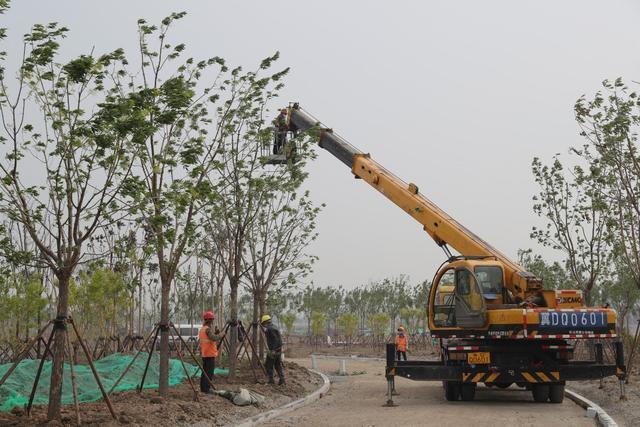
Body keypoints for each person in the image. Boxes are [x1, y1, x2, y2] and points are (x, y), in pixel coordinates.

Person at [199, 311, 222, 393]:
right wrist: (220, 335)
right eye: (212, 320)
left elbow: (209, 337)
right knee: (209, 373)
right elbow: (213, 338)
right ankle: (206, 390)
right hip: (209, 354)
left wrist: (216, 333)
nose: (212, 322)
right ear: (209, 320)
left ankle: (203, 389)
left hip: (205, 354)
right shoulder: (207, 329)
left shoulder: (202, 329)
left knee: (204, 373)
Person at [261, 314, 285, 385]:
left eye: (263, 324)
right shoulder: (274, 327)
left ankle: (271, 380)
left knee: (268, 365)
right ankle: (282, 380)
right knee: (277, 365)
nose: (263, 325)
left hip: (273, 351)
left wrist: (273, 350)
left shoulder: (269, 329)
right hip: (278, 350)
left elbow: (275, 339)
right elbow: (276, 338)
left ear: (265, 322)